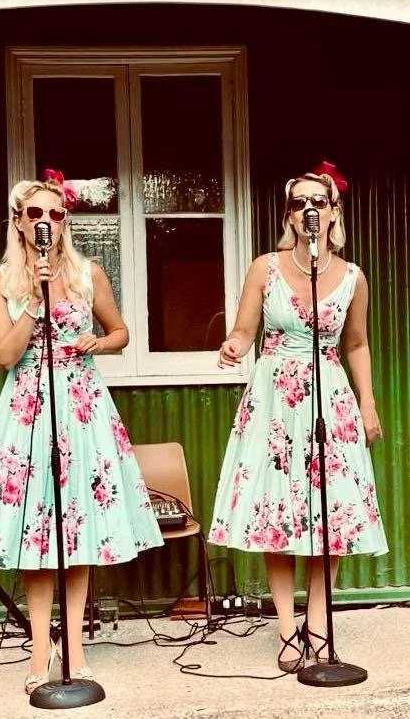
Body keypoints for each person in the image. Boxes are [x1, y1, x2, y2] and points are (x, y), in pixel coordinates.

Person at [0, 169, 163, 693]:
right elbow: (5, 354)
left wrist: (98, 343)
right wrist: (36, 296)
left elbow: (120, 332)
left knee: (77, 531)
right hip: (28, 405)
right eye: (36, 213)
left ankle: (73, 644)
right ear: (19, 222)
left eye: (56, 213)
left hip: (80, 405)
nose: (47, 221)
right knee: (37, 533)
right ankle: (37, 650)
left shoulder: (88, 272)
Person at [208, 161, 388, 672]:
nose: (308, 209)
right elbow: (244, 329)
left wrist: (367, 403)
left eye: (318, 202)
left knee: (328, 517)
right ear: (288, 214)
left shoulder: (353, 276)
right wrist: (233, 345)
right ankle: (287, 627)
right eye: (298, 202)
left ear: (334, 212)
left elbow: (356, 344)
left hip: (328, 396)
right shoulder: (265, 267)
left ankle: (318, 623)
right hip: (275, 400)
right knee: (277, 514)